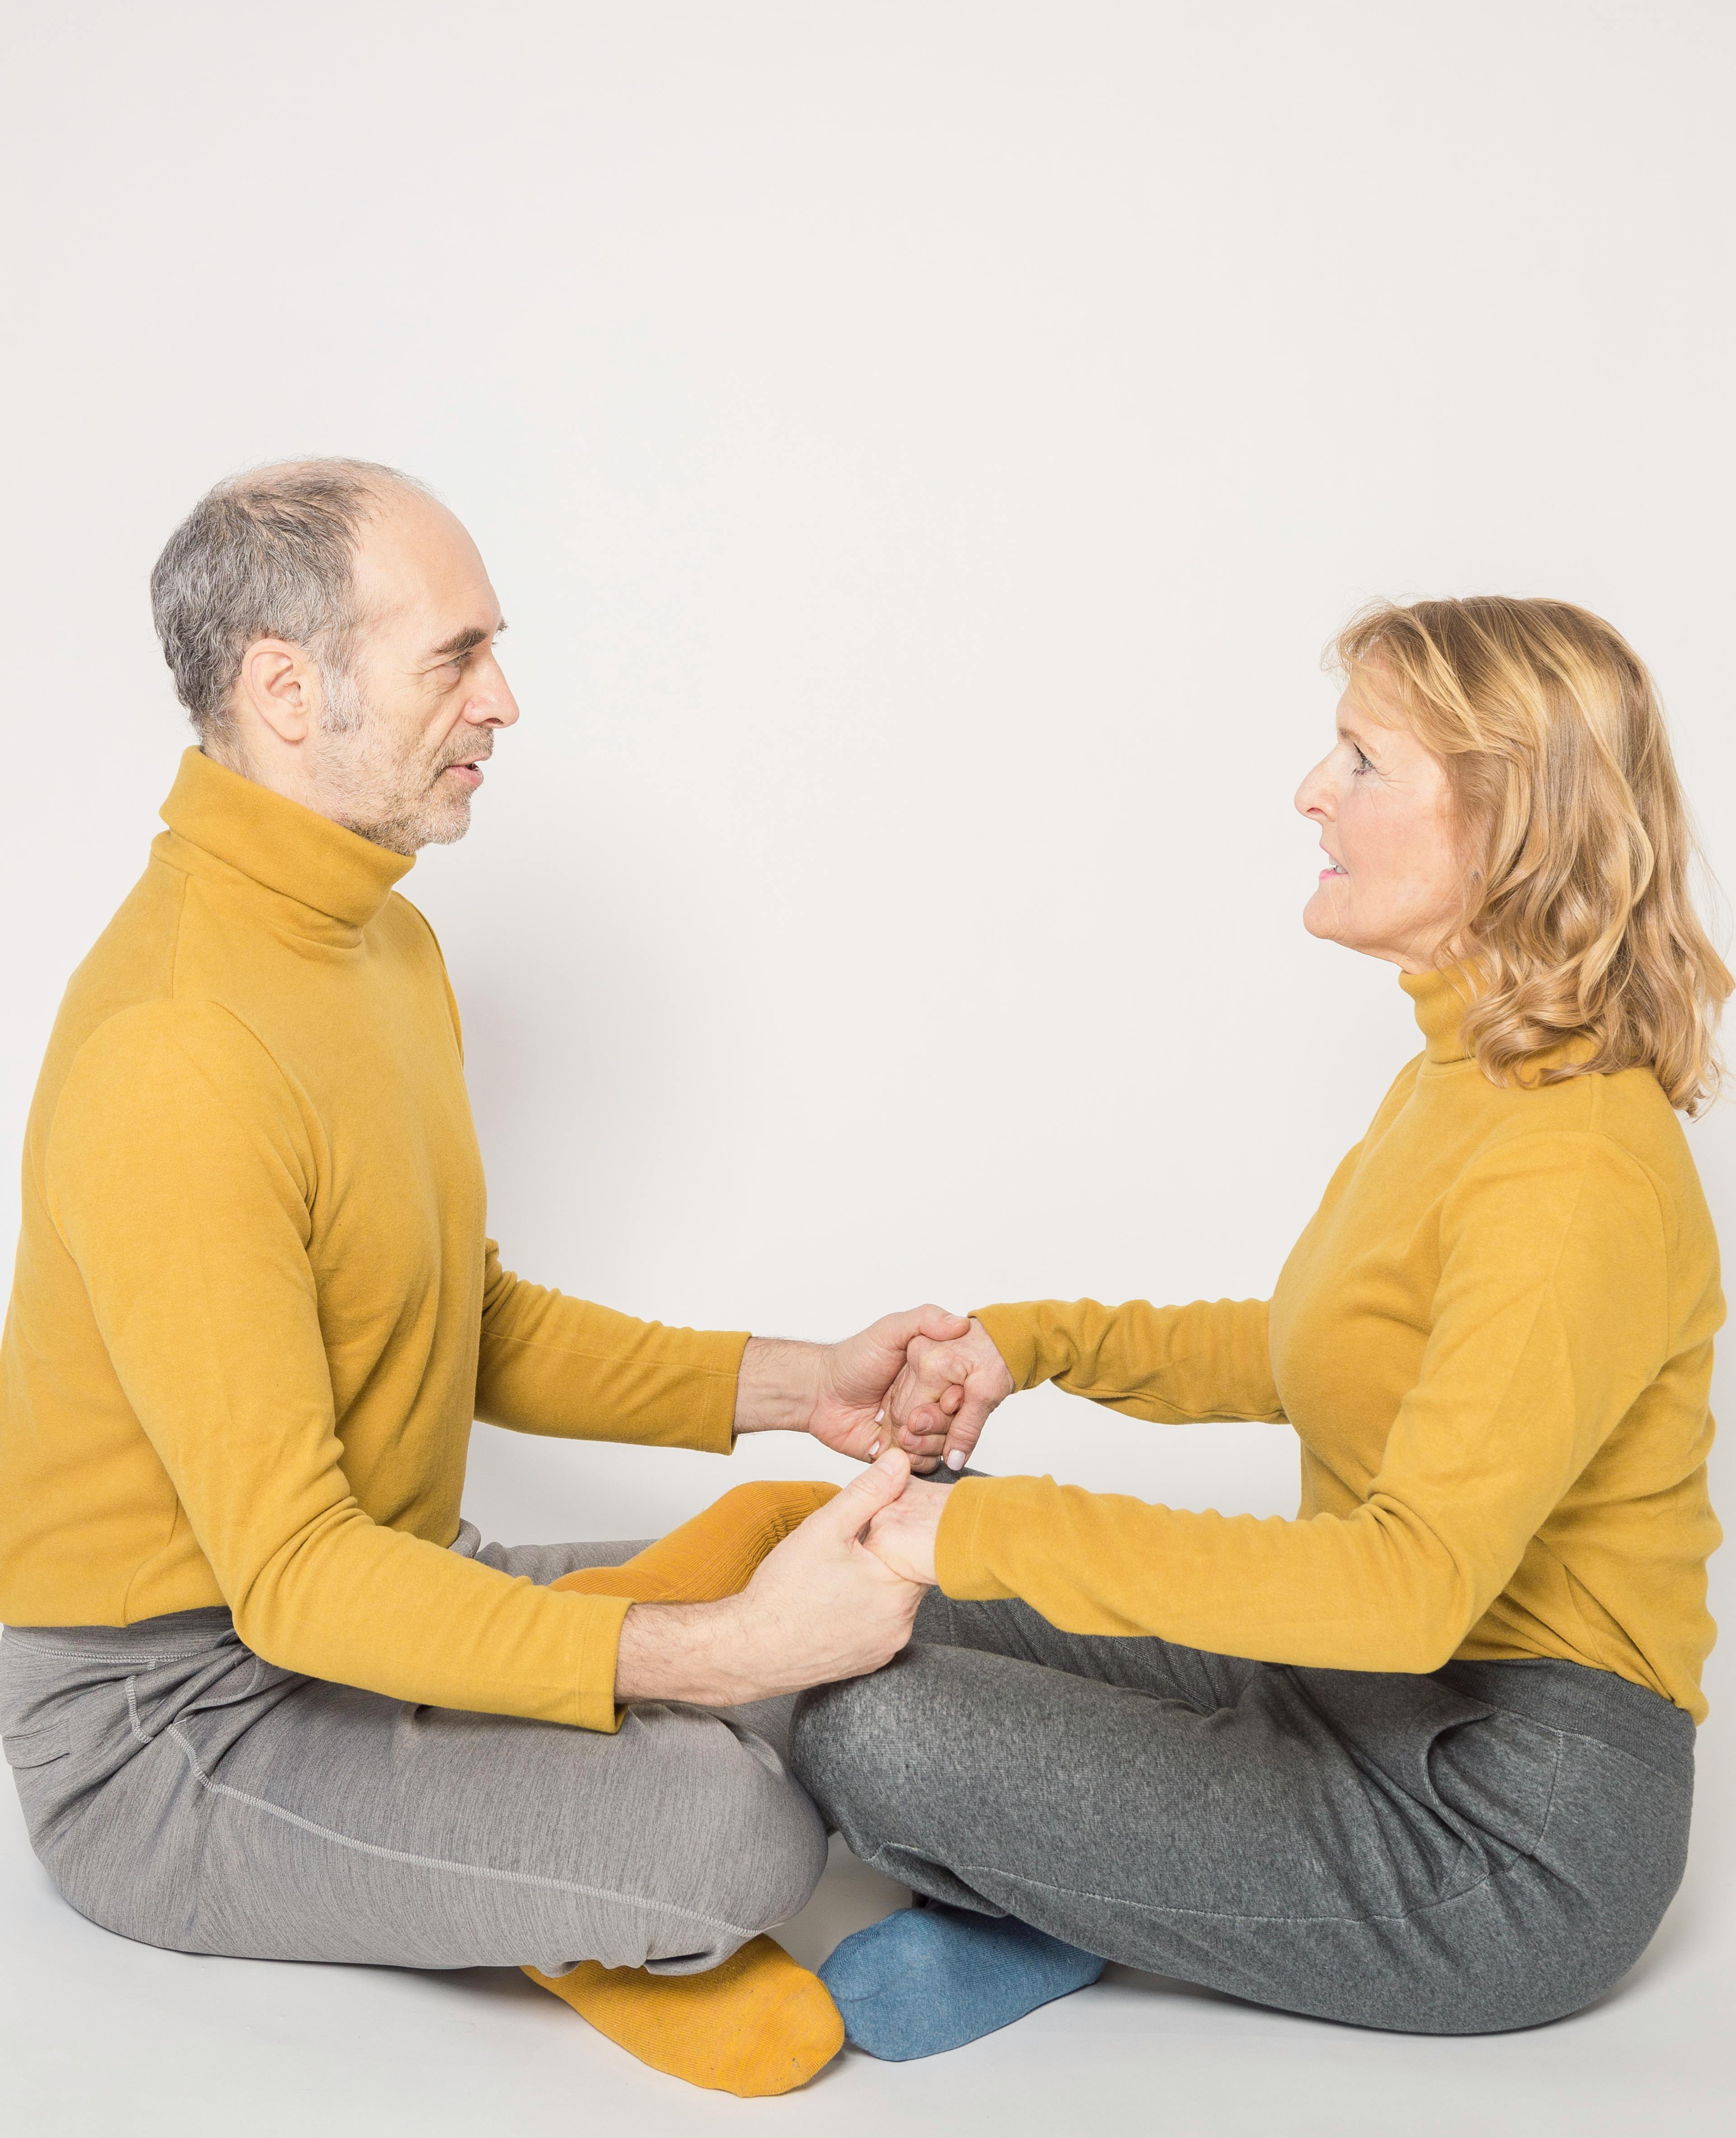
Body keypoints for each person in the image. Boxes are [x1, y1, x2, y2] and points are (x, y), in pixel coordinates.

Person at [0, 458, 962, 2101]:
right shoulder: (181, 1048)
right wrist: (718, 1652)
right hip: (174, 1724)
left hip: (384, 1589)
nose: (503, 699)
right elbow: (290, 1581)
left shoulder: (381, 943)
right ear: (286, 688)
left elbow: (472, 1322)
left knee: (905, 1596)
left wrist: (811, 1387)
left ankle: (539, 1815)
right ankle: (569, 1864)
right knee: (732, 1823)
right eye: (457, 655)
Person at [796, 597, 1727, 2059]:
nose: (1310, 791)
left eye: (1361, 759)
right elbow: (1326, 1348)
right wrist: (1032, 1344)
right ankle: (1126, 1891)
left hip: (1509, 1830)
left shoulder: (1577, 1168)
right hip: (1356, 1702)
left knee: (874, 1723)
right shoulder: (1468, 1072)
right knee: (862, 1561)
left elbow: (1408, 1590)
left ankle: (1089, 1898)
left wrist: (981, 1537)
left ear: (1510, 821)